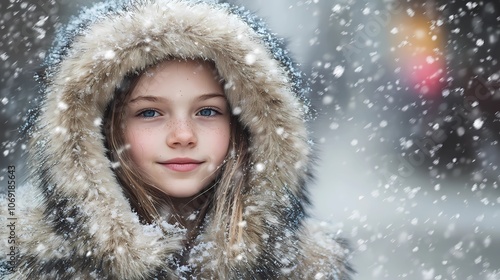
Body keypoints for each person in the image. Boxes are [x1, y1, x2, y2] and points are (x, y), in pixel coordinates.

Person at [0, 0, 353, 278]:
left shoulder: (302, 268)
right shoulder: (28, 261)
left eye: (208, 112)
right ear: (97, 133)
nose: (183, 136)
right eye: (150, 113)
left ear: (247, 127)